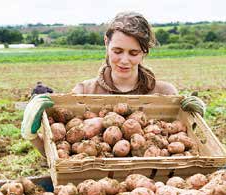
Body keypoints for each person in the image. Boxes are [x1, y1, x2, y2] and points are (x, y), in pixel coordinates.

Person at [21, 12, 205, 155]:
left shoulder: (165, 93)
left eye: (133, 53)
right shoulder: (84, 92)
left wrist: (195, 120)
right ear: (106, 43)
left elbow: (189, 145)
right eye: (118, 51)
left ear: (145, 52)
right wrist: (32, 136)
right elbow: (59, 157)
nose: (125, 60)